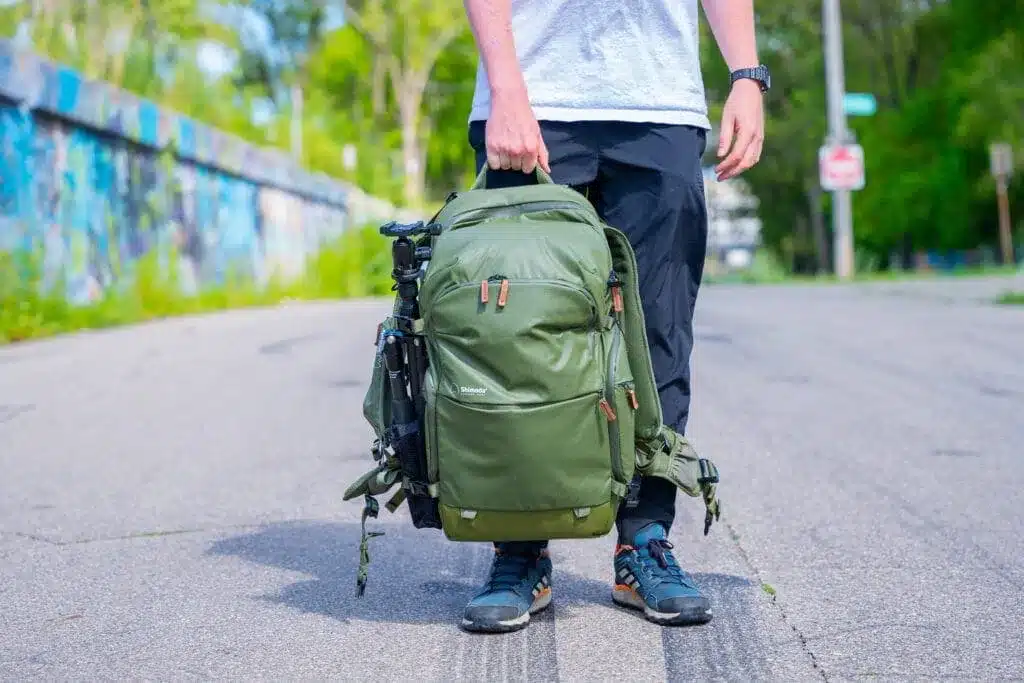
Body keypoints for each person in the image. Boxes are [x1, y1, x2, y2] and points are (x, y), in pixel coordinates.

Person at [459, 0, 768, 633]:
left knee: (657, 335)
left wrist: (746, 75)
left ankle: (643, 541)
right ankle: (519, 546)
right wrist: (506, 87)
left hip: (659, 106)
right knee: (517, 340)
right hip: (534, 101)